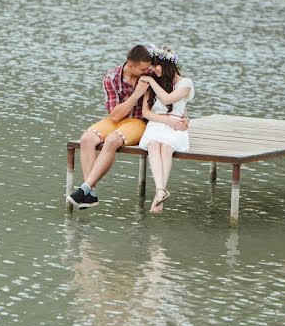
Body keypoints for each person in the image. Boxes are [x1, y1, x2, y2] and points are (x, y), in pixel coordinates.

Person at [68, 45, 187, 209]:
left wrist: (183, 116)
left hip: (139, 121)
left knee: (112, 140)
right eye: (143, 68)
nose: (147, 71)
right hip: (117, 118)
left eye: (148, 67)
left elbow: (175, 93)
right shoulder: (111, 78)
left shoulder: (151, 75)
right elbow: (115, 115)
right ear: (130, 65)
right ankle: (91, 193)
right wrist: (136, 94)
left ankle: (85, 188)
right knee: (86, 138)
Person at [137, 45, 195, 213]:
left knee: (167, 147)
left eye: (156, 65)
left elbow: (170, 99)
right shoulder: (153, 81)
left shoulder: (185, 83)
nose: (154, 69)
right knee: (154, 145)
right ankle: (160, 190)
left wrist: (183, 119)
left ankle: (160, 193)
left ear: (167, 64)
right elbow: (145, 113)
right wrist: (165, 119)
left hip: (175, 126)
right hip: (156, 124)